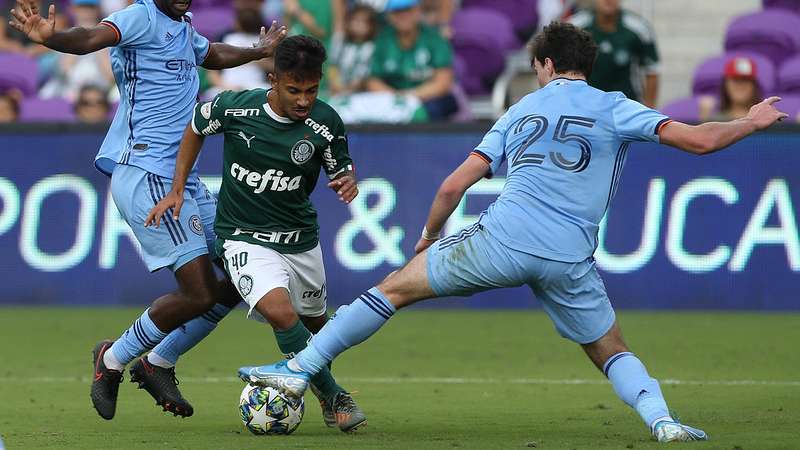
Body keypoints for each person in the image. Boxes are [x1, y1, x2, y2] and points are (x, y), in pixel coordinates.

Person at [237, 22, 788, 443]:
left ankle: (297, 369)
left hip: (499, 241)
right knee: (609, 347)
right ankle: (663, 421)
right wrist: (749, 122)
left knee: (392, 290)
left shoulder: (522, 109)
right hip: (568, 257)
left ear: (546, 64)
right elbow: (699, 141)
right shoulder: (616, 106)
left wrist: (429, 237)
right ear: (585, 67)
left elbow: (455, 185)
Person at [9, 0, 286, 421]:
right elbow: (90, 38)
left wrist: (257, 51)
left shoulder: (182, 25)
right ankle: (113, 358)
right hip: (146, 174)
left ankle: (158, 362)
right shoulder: (139, 17)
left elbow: (211, 53)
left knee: (237, 273)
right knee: (198, 292)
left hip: (182, 180)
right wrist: (54, 39)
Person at [146, 35, 367, 432]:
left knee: (316, 327)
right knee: (281, 315)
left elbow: (341, 168)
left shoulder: (326, 121)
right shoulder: (236, 108)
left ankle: (319, 385)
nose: (303, 100)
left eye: (311, 90)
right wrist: (178, 188)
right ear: (274, 79)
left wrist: (347, 182)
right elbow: (196, 126)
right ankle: (334, 395)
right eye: (294, 89)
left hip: (300, 240)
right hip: (243, 236)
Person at [366, 0, 456, 120]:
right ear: (389, 15)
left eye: (408, 10)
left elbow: (443, 82)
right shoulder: (383, 40)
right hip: (392, 98)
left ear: (418, 11)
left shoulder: (434, 38)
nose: (403, 16)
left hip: (426, 98)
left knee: (436, 108)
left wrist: (410, 96)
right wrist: (395, 97)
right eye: (397, 12)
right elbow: (373, 81)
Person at [569, 0, 659, 107]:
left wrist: (649, 109)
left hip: (627, 106)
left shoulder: (639, 28)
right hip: (586, 106)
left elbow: (652, 70)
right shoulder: (574, 26)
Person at [206, 0, 270, 95]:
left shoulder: (266, 37)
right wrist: (225, 86)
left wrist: (256, 56)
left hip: (256, 86)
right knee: (211, 94)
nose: (248, 5)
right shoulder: (225, 36)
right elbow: (212, 72)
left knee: (267, 91)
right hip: (227, 86)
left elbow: (275, 68)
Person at [328, 4, 377, 95]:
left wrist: (349, 89)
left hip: (361, 94)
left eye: (364, 22)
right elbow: (333, 65)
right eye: (355, 20)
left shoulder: (372, 48)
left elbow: (365, 75)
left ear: (371, 26)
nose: (358, 24)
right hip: (337, 91)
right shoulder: (341, 42)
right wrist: (335, 84)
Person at [699, 56, 762, 122]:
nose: (740, 85)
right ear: (725, 85)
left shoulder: (765, 120)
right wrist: (705, 119)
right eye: (735, 80)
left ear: (754, 85)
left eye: (745, 80)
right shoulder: (716, 121)